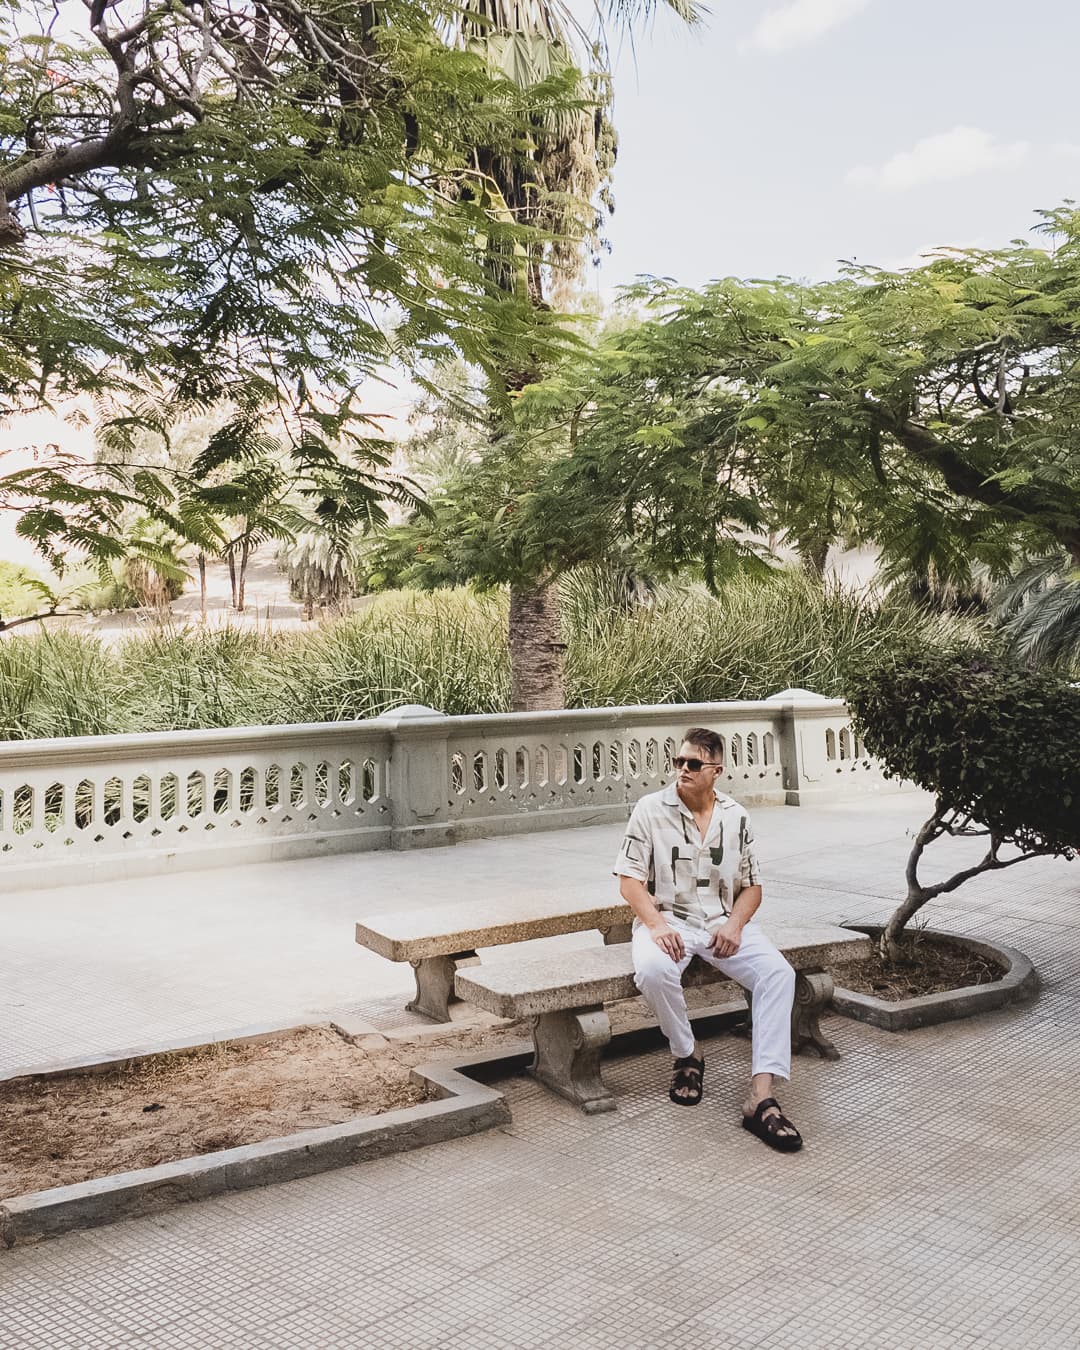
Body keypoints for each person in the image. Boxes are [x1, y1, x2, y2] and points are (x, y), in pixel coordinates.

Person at [614, 727, 802, 1151]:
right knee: (654, 969)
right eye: (678, 762)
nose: (683, 770)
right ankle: (688, 1054)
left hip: (720, 923)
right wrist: (658, 926)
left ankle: (761, 1095)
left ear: (716, 770)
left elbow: (752, 887)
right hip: (668, 922)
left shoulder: (736, 817)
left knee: (778, 974)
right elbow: (629, 881)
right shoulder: (650, 809)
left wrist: (734, 926)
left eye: (693, 764)